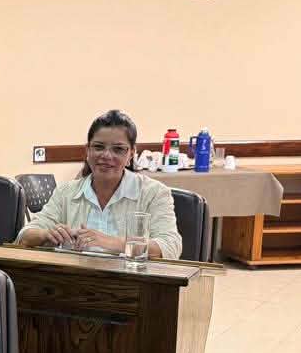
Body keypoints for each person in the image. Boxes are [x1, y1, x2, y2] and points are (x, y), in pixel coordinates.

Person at [15, 109, 182, 259]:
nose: (106, 155)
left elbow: (170, 246)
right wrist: (46, 234)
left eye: (118, 149)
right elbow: (24, 236)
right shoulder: (66, 192)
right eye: (98, 147)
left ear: (131, 154)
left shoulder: (154, 193)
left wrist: (111, 243)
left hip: (133, 281)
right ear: (87, 151)